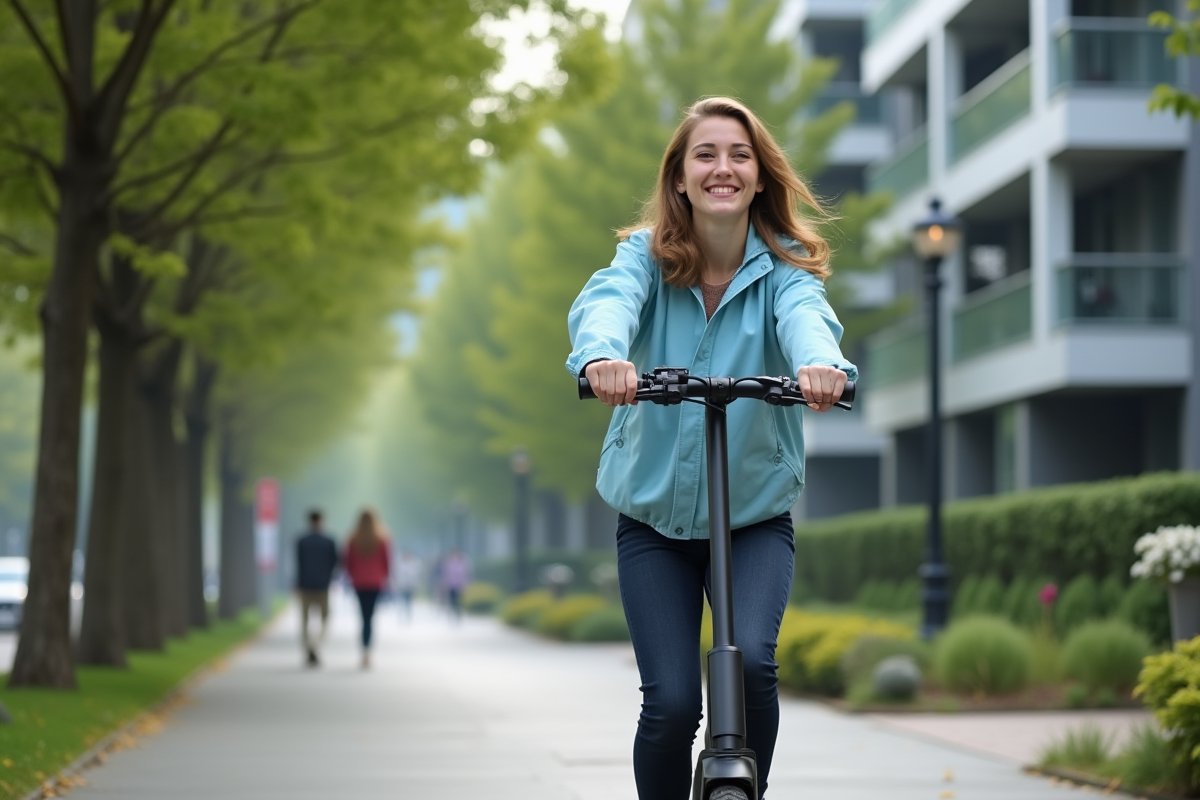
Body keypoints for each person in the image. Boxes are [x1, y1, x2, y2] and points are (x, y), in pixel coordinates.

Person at [565, 97, 857, 800]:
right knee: (670, 705)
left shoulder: (785, 271)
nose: (722, 167)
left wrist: (824, 368)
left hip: (753, 518)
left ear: (759, 176)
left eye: (739, 154)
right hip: (654, 523)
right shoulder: (644, 257)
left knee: (753, 664)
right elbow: (606, 301)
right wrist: (602, 357)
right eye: (705, 154)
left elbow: (808, 320)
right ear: (680, 177)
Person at [344, 508, 391, 669]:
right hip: (375, 582)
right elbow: (386, 562)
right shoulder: (382, 538)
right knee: (370, 618)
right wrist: (385, 577)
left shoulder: (353, 539)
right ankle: (367, 652)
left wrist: (352, 575)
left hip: (359, 582)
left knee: (362, 617)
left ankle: (364, 651)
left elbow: (347, 562)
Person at [294, 508, 339, 668]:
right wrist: (331, 578)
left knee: (305, 620)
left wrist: (297, 583)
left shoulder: (301, 541)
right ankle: (316, 645)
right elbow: (336, 563)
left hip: (305, 585)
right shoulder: (329, 541)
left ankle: (309, 649)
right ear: (321, 521)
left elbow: (298, 564)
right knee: (325, 618)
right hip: (323, 585)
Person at [440, 548, 470, 622]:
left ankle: (458, 613)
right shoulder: (448, 563)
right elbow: (445, 574)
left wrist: (466, 584)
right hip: (450, 585)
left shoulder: (463, 564)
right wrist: (444, 584)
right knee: (452, 601)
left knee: (459, 601)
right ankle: (452, 613)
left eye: (456, 555)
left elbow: (466, 574)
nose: (454, 557)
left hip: (460, 585)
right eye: (453, 555)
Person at [393, 549, 422, 620]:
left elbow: (416, 575)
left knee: (409, 600)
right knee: (401, 600)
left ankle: (408, 614)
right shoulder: (400, 564)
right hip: (402, 585)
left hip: (410, 585)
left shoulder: (414, 564)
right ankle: (401, 614)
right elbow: (397, 575)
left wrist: (416, 585)